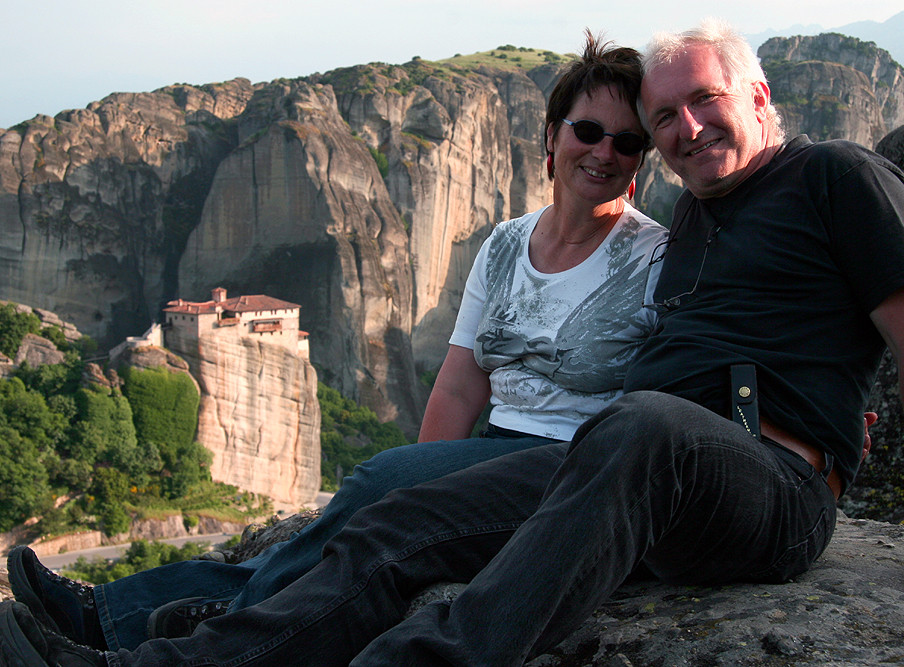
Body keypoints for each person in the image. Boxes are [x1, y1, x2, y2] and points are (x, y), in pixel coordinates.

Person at [2, 20, 904, 667]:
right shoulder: (693, 220)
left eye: (701, 104)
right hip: (617, 463)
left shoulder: (836, 176)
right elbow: (481, 368)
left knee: (639, 423)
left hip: (770, 481)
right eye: (663, 117)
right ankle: (151, 659)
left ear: (759, 96)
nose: (681, 128)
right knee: (396, 521)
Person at [1, 33, 667, 660]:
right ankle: (117, 612)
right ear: (553, 136)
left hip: (575, 468)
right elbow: (460, 384)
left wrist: (411, 488)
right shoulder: (504, 244)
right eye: (587, 130)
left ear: (640, 160)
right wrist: (427, 482)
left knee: (373, 484)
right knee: (373, 502)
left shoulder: (654, 259)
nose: (604, 152)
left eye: (628, 141)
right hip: (492, 446)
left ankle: (135, 627)